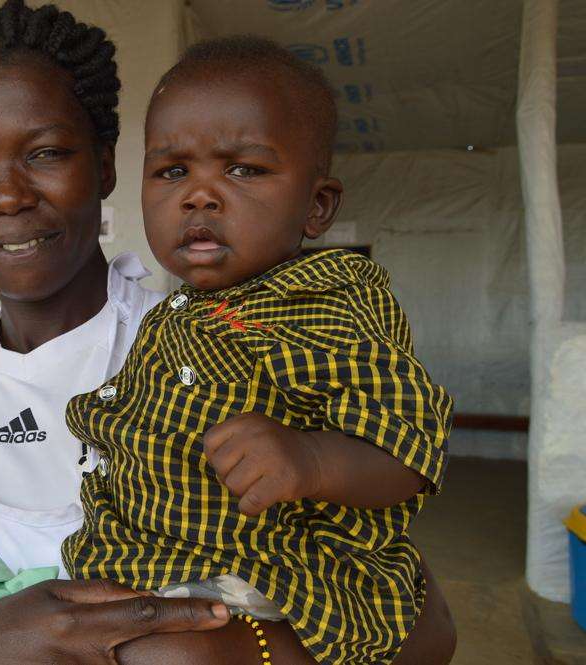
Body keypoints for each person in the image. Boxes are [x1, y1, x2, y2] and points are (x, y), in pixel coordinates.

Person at [0, 2, 456, 663]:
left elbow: (423, 625)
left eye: (45, 153)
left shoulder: (210, 357)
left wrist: (219, 651)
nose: (8, 195)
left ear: (104, 168)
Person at [62, 36, 453, 664]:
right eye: (172, 171)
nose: (199, 195)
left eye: (244, 169)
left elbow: (409, 447)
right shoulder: (171, 314)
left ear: (317, 206)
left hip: (281, 567)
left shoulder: (332, 298)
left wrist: (311, 458)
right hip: (149, 552)